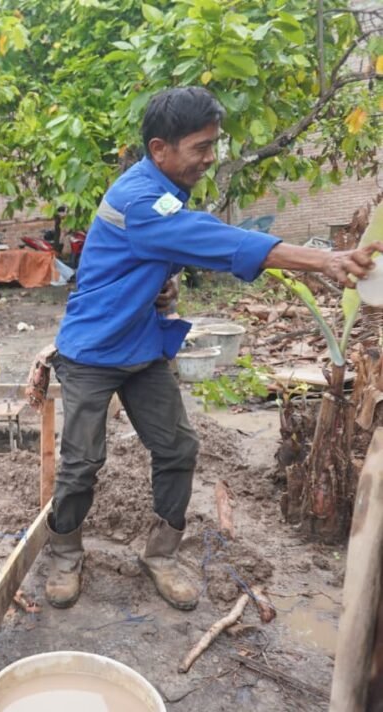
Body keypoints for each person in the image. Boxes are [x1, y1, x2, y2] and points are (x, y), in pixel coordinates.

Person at [44, 86, 381, 612]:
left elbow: (148, 254)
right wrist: (324, 261)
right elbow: (212, 239)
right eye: (201, 147)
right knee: (81, 462)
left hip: (142, 344)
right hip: (92, 351)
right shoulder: (143, 200)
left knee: (178, 448)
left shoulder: (160, 191)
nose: (210, 159)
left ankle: (160, 554)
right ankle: (64, 553)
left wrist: (158, 282)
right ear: (161, 149)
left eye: (213, 146)